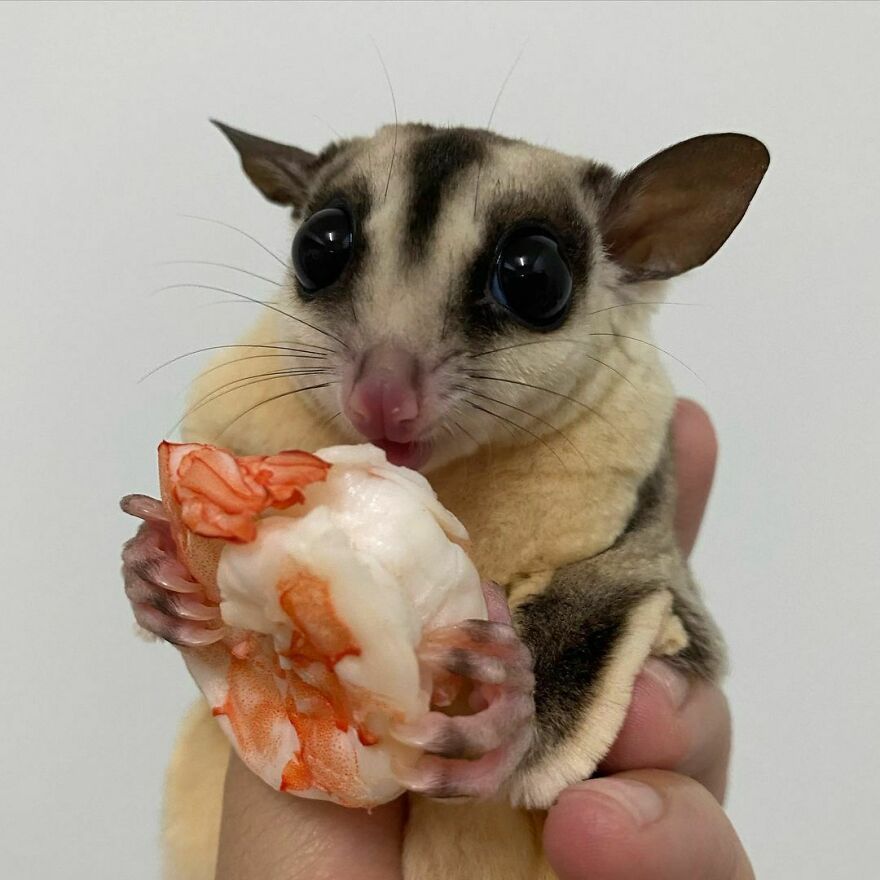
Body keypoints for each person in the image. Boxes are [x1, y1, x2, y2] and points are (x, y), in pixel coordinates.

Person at [214, 400, 754, 880]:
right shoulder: (254, 397)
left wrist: (529, 693)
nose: (386, 395)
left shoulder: (618, 426)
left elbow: (653, 602)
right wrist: (197, 576)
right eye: (320, 277)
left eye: (529, 284)